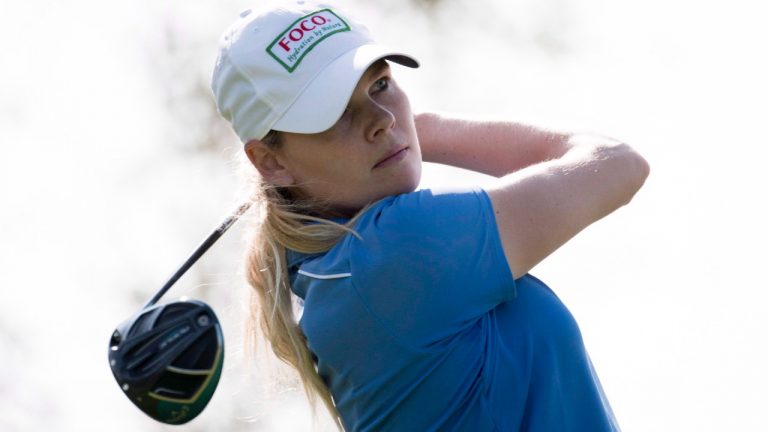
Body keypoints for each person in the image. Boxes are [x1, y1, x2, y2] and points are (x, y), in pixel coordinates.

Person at [211, 1, 649, 430]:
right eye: (336, 112)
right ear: (270, 162)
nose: (380, 119)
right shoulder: (394, 251)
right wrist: (426, 129)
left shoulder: (332, 277)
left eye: (379, 84)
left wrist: (404, 133)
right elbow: (617, 164)